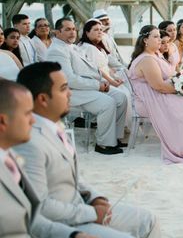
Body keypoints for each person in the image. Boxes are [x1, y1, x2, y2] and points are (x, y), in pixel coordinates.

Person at [14, 62, 177, 238]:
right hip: (67, 220)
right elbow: (42, 207)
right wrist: (91, 213)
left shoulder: (53, 127)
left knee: (148, 221)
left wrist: (96, 197)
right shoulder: (30, 142)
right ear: (42, 99)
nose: (70, 94)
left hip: (84, 206)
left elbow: (74, 177)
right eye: (64, 88)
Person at [46, 17, 127, 155]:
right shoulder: (57, 50)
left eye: (73, 29)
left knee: (121, 97)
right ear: (57, 32)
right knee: (107, 103)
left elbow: (91, 68)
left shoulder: (71, 46)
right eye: (67, 29)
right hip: (70, 92)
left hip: (85, 86)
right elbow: (69, 79)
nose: (72, 32)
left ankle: (114, 137)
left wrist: (105, 81)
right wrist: (97, 85)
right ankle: (104, 144)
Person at [128, 25, 183, 164]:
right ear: (145, 40)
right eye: (156, 37)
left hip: (157, 94)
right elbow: (159, 86)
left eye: (160, 36)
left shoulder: (156, 55)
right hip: (149, 99)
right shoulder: (147, 60)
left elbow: (168, 77)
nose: (160, 39)